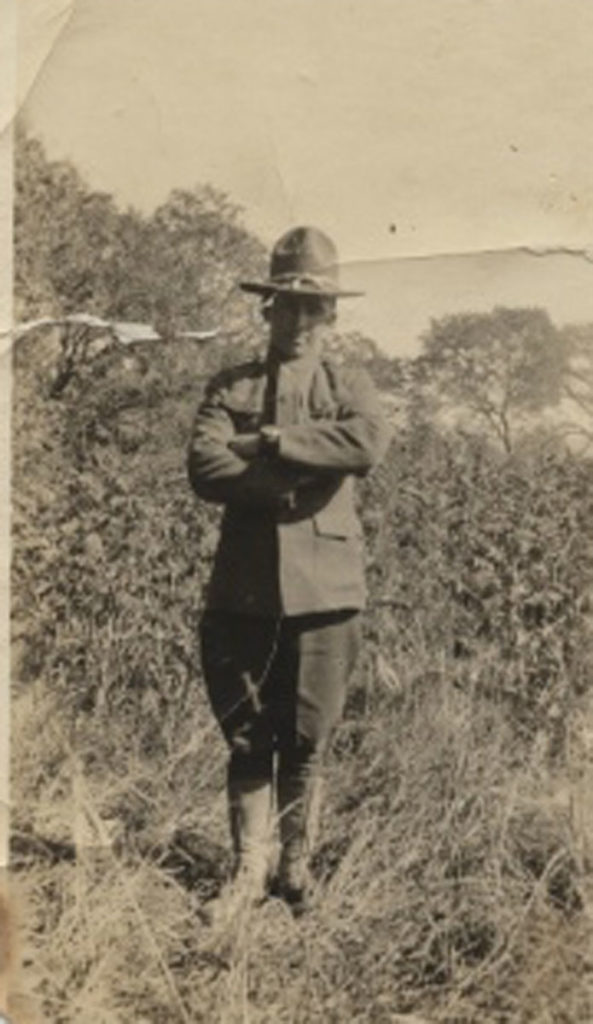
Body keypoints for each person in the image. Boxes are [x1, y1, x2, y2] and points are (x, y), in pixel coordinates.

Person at [187, 226, 391, 918]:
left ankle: (295, 872)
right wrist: (281, 486)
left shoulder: (350, 384)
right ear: (266, 309)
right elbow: (206, 465)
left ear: (330, 316)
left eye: (314, 308)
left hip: (325, 594)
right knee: (246, 732)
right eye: (286, 306)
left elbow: (363, 444)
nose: (299, 321)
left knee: (307, 736)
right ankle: (250, 871)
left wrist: (271, 441)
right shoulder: (231, 384)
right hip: (243, 589)